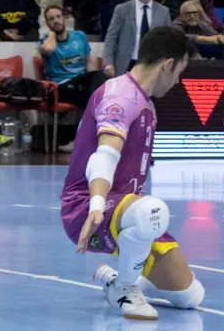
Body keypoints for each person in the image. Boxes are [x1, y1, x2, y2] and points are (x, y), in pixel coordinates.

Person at [60, 26, 203, 320]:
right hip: (87, 208)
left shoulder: (145, 101)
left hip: (124, 211)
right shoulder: (121, 96)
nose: (178, 81)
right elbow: (104, 156)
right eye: (180, 72)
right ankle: (125, 288)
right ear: (167, 65)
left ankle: (116, 279)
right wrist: (96, 206)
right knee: (153, 210)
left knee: (191, 296)